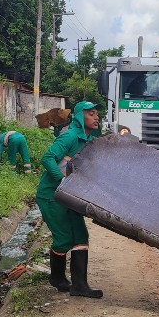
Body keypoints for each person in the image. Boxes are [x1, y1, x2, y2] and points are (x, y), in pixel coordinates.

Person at [36, 101, 104, 298]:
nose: (96, 117)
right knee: (64, 238)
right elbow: (47, 158)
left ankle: (80, 286)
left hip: (69, 197)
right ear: (81, 116)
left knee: (81, 236)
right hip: (51, 195)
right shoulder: (70, 136)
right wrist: (64, 181)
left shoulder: (88, 140)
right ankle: (57, 278)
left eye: (96, 114)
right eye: (91, 114)